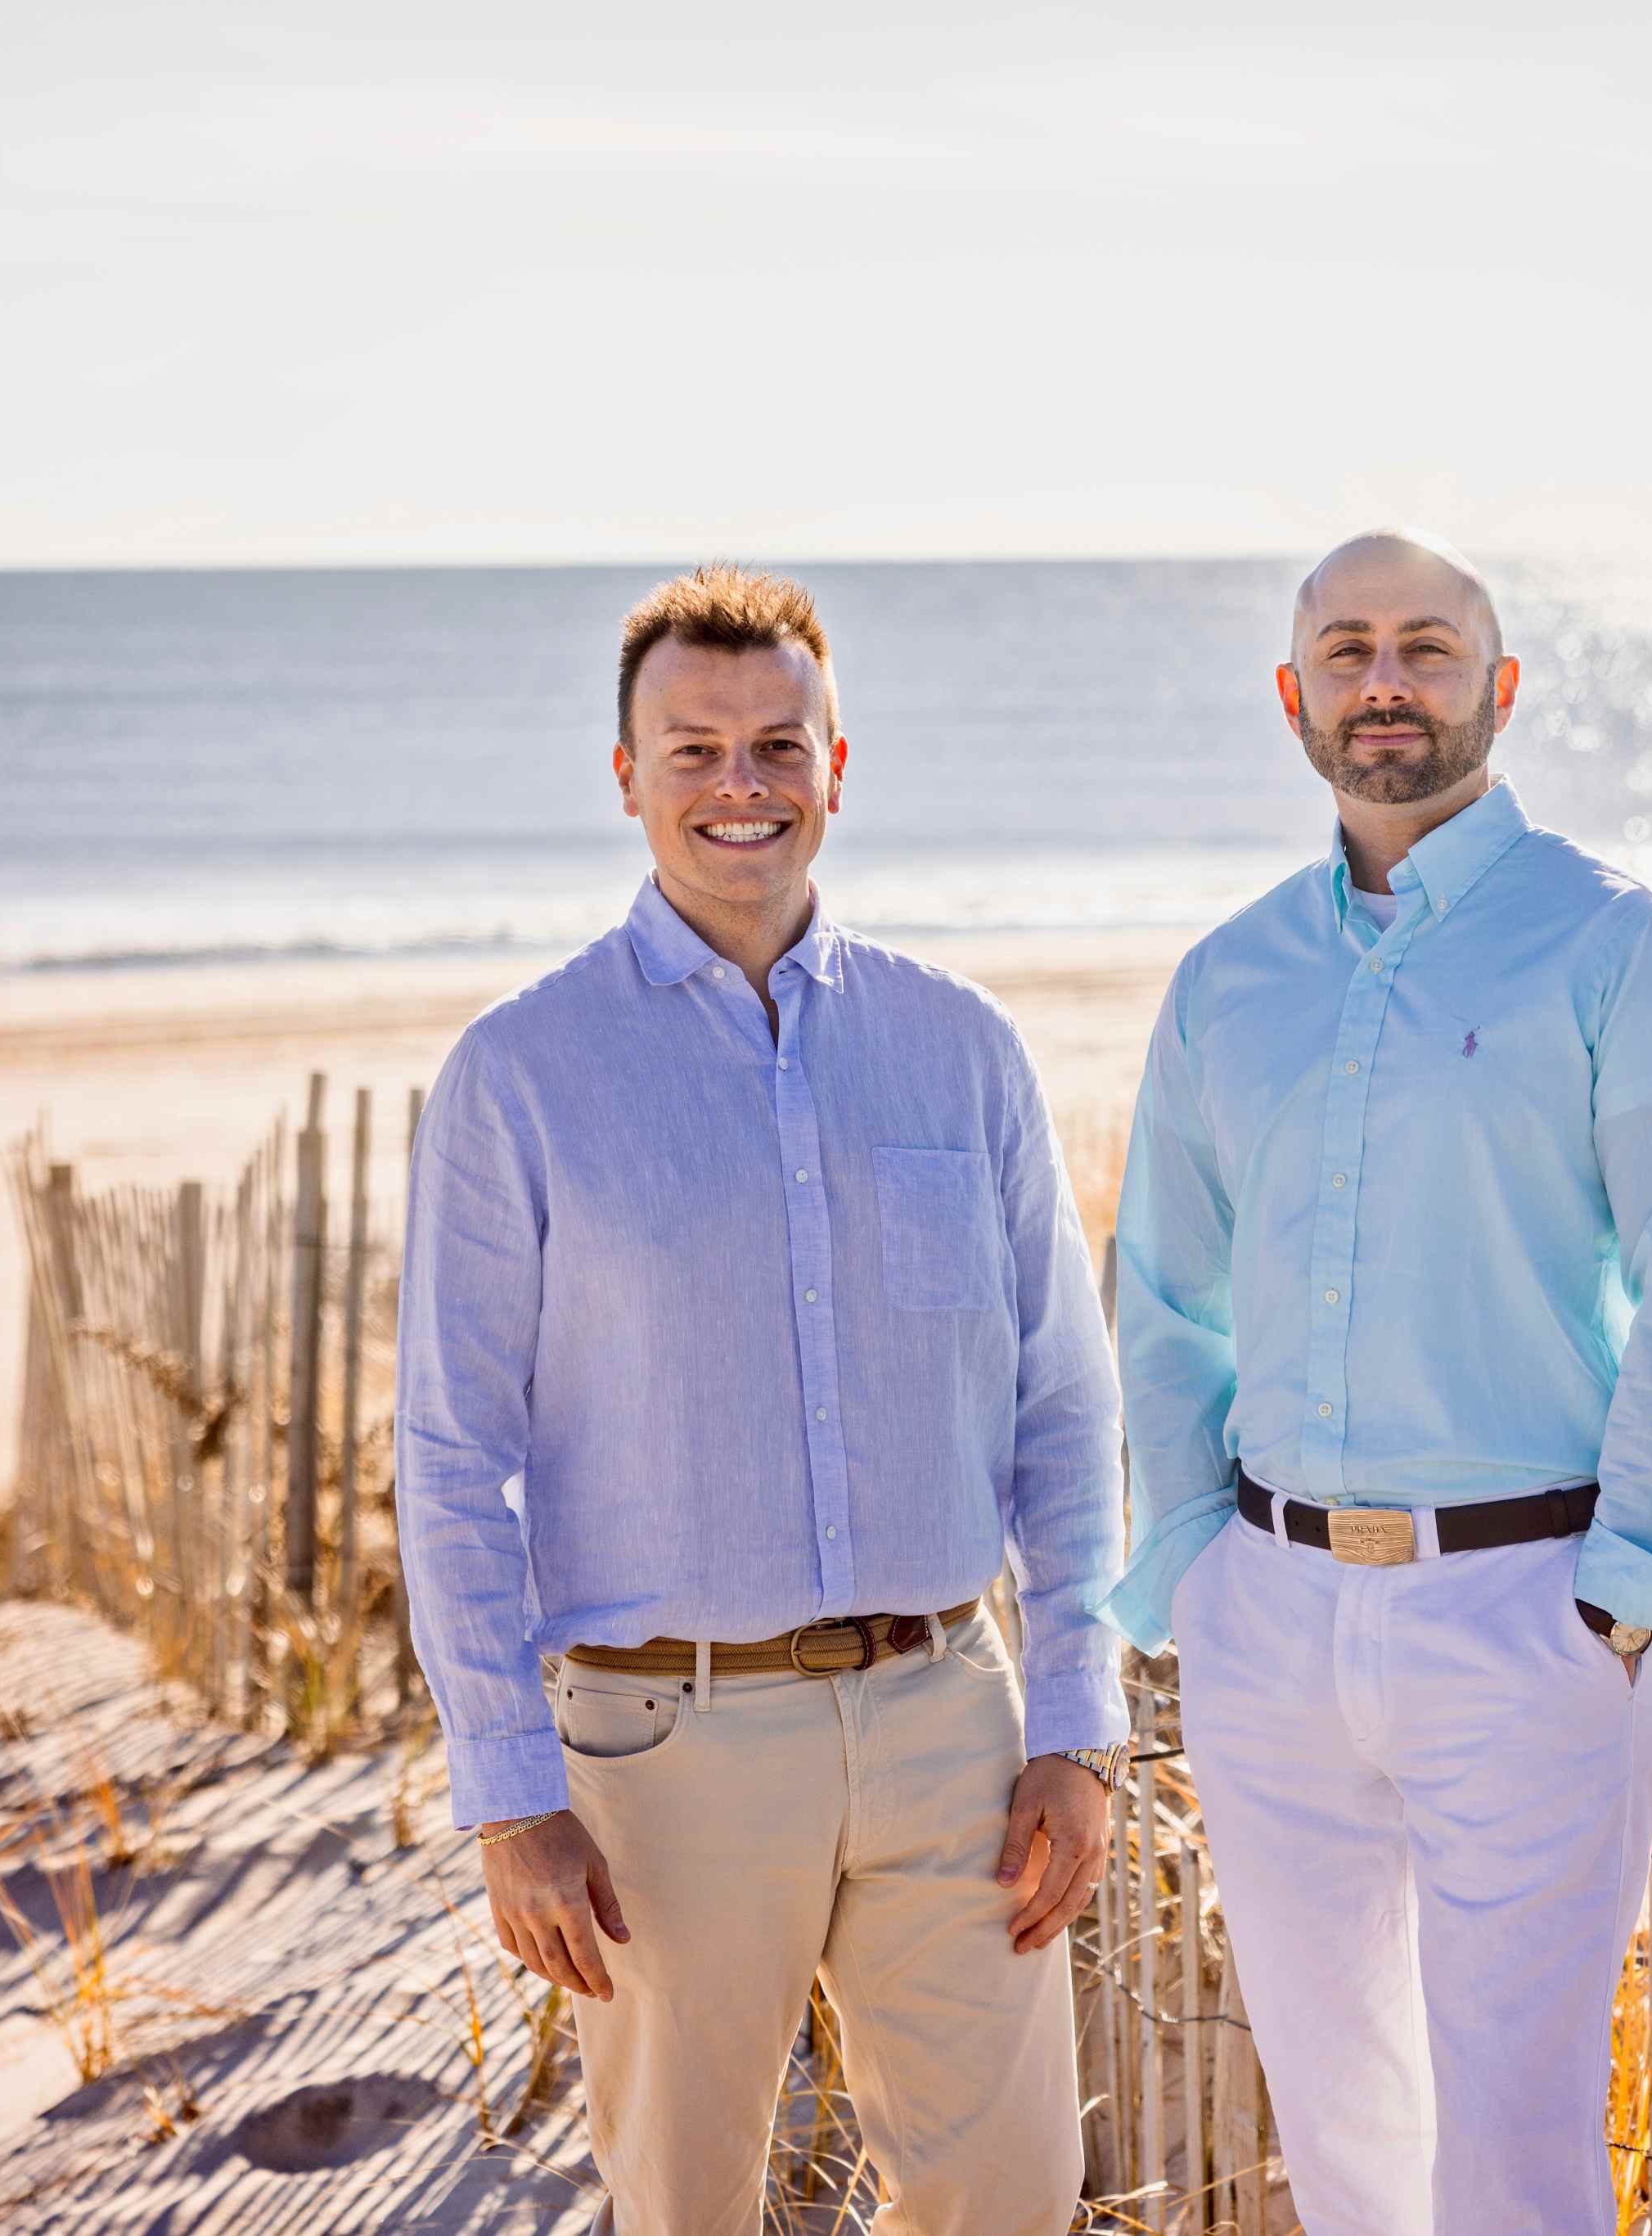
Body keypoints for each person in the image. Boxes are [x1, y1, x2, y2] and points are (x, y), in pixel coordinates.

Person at [397, 563, 1130, 2235]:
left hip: (950, 1719)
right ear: (627, 776)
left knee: (1011, 2195)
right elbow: (450, 1458)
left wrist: (1076, 1717)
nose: (741, 786)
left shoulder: (961, 1047)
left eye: (776, 745)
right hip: (662, 1753)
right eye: (695, 748)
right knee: (687, 2206)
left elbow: (1062, 1409)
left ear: (836, 763)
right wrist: (509, 1792)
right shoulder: (520, 1072)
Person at [1101, 530, 1652, 2235]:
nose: (1381, 680)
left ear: (1499, 686)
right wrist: (1192, 1557)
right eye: (1344, 650)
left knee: (1515, 2142)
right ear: (1292, 695)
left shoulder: (1622, 952)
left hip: (1524, 1617)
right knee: (1340, 2128)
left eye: (1422, 647)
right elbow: (1166, 1289)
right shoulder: (1226, 976)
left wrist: (1617, 1594)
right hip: (1270, 1623)